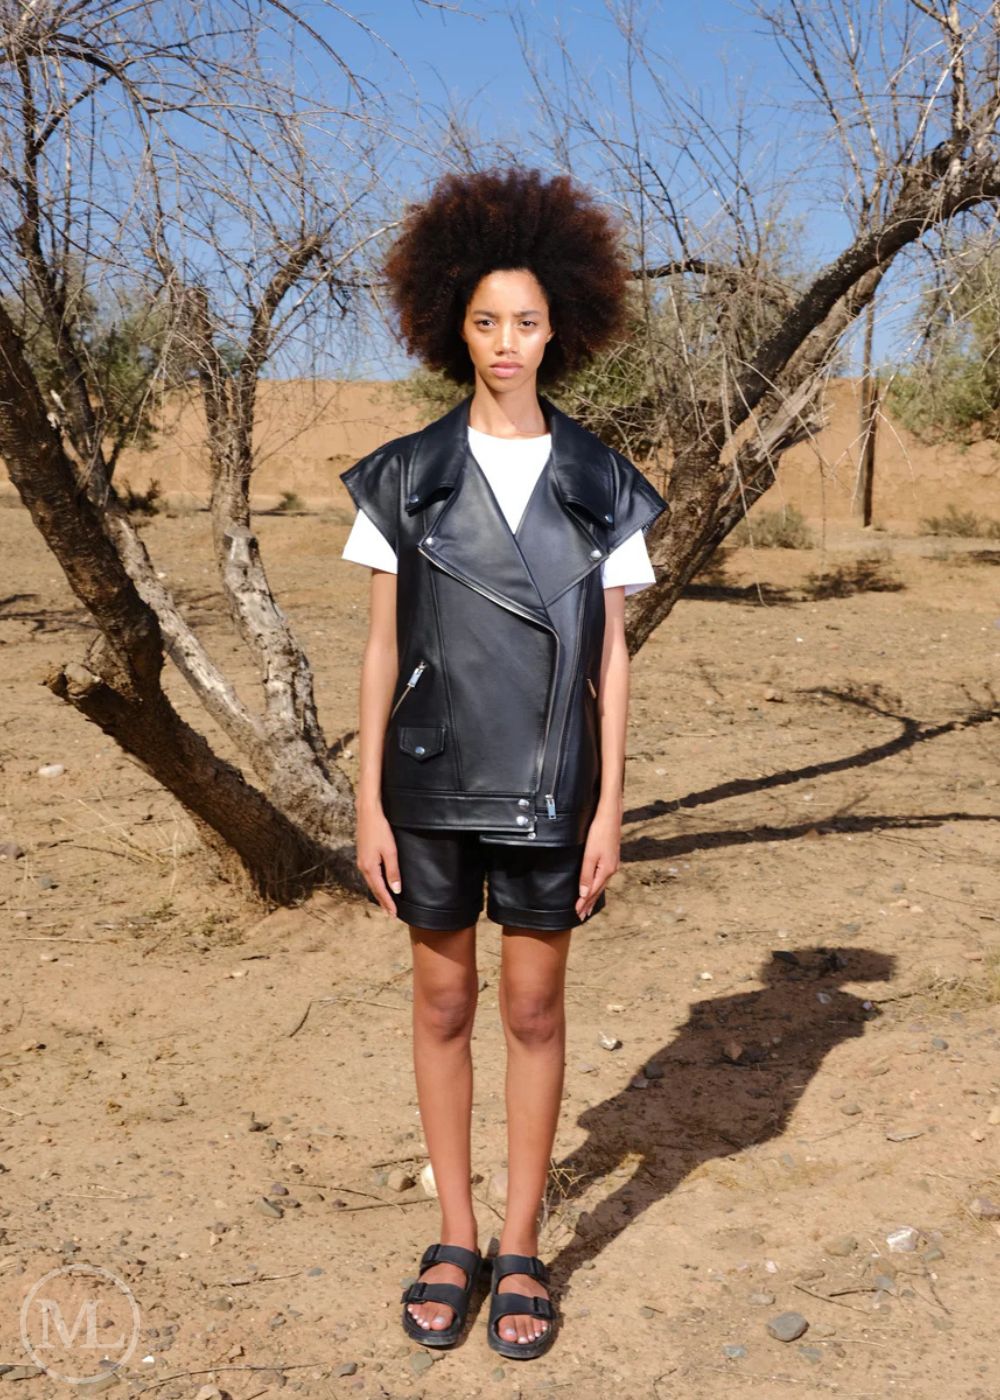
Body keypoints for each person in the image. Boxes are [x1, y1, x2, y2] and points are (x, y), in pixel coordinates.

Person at [338, 167, 668, 1361]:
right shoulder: (400, 476)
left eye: (526, 320)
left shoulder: (602, 484)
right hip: (427, 782)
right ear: (452, 326)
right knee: (442, 1000)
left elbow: (611, 659)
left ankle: (521, 1243)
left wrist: (609, 808)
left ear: (559, 326)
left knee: (531, 1006)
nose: (507, 342)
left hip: (550, 784)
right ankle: (456, 1232)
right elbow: (382, 648)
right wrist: (367, 801)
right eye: (486, 320)